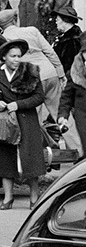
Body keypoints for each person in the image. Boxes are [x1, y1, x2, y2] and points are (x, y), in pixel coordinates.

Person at [0, 37, 45, 209]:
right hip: (6, 123)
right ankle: (8, 198)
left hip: (27, 120)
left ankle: (34, 198)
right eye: (13, 56)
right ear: (4, 57)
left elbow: (39, 97)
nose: (17, 60)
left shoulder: (30, 71)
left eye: (19, 56)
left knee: (31, 160)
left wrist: (18, 104)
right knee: (5, 158)